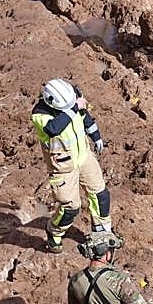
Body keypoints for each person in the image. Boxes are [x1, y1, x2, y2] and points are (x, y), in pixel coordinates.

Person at [30, 78, 112, 253]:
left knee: (100, 195)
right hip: (63, 167)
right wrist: (73, 108)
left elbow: (84, 116)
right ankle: (54, 233)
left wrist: (95, 135)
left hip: (84, 156)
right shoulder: (40, 114)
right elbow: (54, 129)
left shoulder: (71, 96)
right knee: (70, 208)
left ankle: (102, 232)